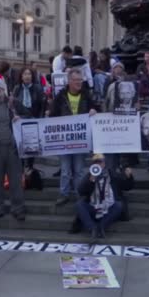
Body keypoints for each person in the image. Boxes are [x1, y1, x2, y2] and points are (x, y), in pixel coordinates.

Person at [0, 77, 31, 222]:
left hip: (12, 149)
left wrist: (19, 118)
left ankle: (18, 209)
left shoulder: (13, 103)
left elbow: (29, 115)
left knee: (16, 181)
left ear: (3, 89)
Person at [49, 69, 97, 206]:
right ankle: (64, 193)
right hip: (64, 140)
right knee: (65, 170)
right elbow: (53, 116)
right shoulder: (60, 96)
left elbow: (95, 108)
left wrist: (94, 111)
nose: (79, 83)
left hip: (80, 140)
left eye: (80, 80)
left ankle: (79, 193)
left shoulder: (86, 95)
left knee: (79, 170)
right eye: (76, 80)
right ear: (69, 81)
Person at [76, 154, 134, 239]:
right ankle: (92, 228)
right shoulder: (89, 175)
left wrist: (129, 177)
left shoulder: (112, 174)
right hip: (94, 207)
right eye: (96, 162)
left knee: (119, 205)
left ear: (104, 163)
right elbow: (81, 191)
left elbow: (127, 186)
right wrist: (90, 181)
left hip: (108, 207)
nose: (98, 164)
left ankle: (100, 227)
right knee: (79, 205)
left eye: (100, 162)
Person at [12, 68, 46, 169]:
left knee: (31, 148)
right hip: (20, 121)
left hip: (33, 120)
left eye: (29, 74)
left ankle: (29, 169)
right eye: (25, 74)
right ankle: (21, 171)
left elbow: (42, 106)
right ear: (21, 77)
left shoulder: (38, 88)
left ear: (32, 76)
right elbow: (13, 105)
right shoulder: (17, 89)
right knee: (20, 148)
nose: (27, 76)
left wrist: (40, 119)